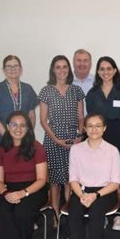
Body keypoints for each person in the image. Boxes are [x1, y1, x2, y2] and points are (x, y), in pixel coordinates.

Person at [0, 111, 48, 239]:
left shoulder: (37, 147)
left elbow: (41, 179)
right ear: (8, 127)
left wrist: (24, 193)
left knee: (21, 213)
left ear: (28, 128)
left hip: (33, 188)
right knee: (3, 212)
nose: (18, 128)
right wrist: (7, 194)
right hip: (8, 188)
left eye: (23, 125)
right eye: (14, 125)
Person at [68, 113, 120, 239]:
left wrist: (95, 195)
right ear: (84, 128)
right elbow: (73, 179)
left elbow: (115, 182)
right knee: (74, 212)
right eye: (90, 125)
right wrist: (83, 195)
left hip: (105, 192)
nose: (94, 129)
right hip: (81, 190)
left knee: (96, 212)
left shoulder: (112, 150)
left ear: (104, 128)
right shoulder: (76, 149)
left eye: (98, 125)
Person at [85, 56, 120, 230]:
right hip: (99, 137)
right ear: (98, 72)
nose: (105, 72)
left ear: (114, 71)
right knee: (99, 175)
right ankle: (102, 212)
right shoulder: (92, 93)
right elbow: (90, 119)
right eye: (102, 69)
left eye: (108, 68)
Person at [0, 55, 38, 197]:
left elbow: (31, 115)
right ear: (4, 69)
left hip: (24, 138)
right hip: (2, 138)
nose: (12, 69)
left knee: (24, 172)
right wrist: (10, 136)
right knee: (0, 174)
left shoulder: (28, 89)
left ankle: (24, 199)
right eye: (9, 66)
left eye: (15, 66)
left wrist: (26, 135)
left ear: (21, 69)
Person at [39, 55, 85, 222]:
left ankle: (70, 215)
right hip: (53, 140)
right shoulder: (46, 91)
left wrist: (79, 136)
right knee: (55, 182)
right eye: (58, 67)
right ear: (53, 69)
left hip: (74, 140)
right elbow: (43, 121)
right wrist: (57, 140)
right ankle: (56, 216)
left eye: (65, 66)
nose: (62, 70)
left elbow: (81, 117)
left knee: (71, 181)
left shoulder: (76, 90)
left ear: (69, 69)